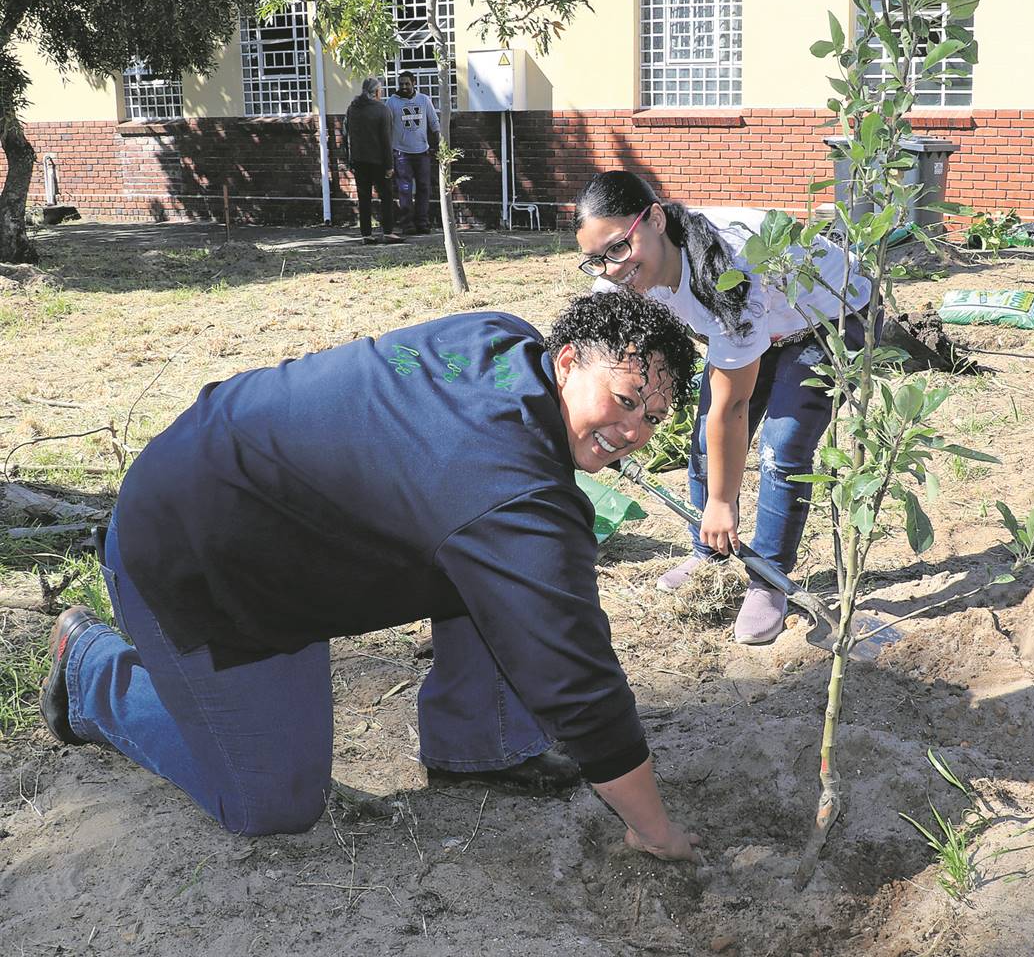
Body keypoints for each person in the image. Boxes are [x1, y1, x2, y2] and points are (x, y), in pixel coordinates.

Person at [41, 289, 705, 860]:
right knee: (271, 802)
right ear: (565, 362)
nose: (632, 431)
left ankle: (481, 744)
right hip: (193, 557)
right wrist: (653, 827)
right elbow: (578, 679)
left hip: (267, 528)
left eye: (650, 418)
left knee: (498, 565)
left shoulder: (501, 342)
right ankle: (92, 674)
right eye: (622, 400)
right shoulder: (508, 486)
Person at [574, 171, 873, 646]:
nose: (611, 268)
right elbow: (593, 358)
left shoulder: (730, 271)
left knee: (784, 443)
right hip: (761, 326)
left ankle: (769, 579)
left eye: (617, 248)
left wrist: (721, 501)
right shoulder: (620, 279)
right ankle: (706, 552)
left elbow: (731, 407)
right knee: (701, 440)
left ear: (654, 219)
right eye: (595, 260)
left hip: (830, 315)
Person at [344, 77, 399, 245]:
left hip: (359, 160)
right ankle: (388, 232)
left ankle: (366, 234)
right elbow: (386, 140)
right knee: (386, 196)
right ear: (376, 92)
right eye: (380, 89)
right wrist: (390, 165)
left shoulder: (353, 108)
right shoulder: (381, 110)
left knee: (364, 198)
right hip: (378, 160)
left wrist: (350, 159)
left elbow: (347, 135)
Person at [386, 71, 441, 236]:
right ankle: (407, 224)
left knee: (424, 188)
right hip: (402, 153)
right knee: (405, 189)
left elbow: (433, 122)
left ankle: (422, 222)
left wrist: (439, 140)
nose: (404, 87)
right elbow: (387, 127)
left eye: (407, 84)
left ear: (414, 83)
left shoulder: (424, 100)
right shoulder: (391, 102)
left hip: (422, 152)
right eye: (401, 84)